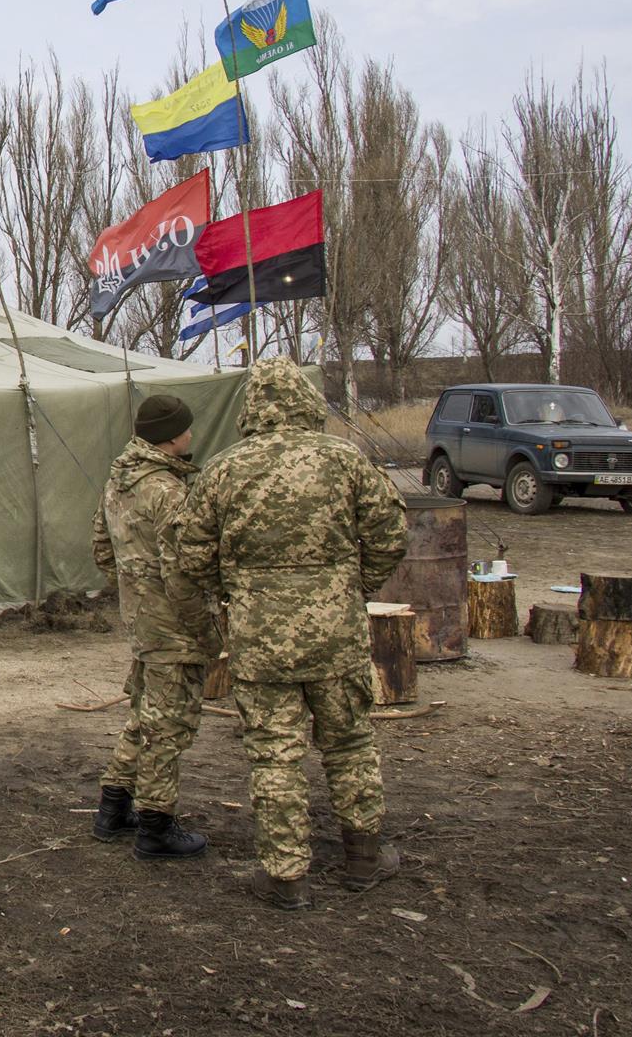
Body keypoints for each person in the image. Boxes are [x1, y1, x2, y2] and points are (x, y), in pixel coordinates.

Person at [168, 357, 408, 910]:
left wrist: (235, 592)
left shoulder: (225, 469)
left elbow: (191, 552)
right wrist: (347, 586)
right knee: (349, 742)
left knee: (274, 754)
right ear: (306, 401)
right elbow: (390, 533)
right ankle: (363, 858)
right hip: (335, 633)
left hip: (259, 637)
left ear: (253, 406)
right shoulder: (344, 460)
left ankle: (285, 876)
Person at [90, 394, 217, 860]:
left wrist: (134, 590)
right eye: (187, 428)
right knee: (170, 725)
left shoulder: (119, 482)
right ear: (172, 436)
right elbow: (185, 569)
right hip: (172, 623)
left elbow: (102, 549)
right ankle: (156, 826)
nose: (192, 435)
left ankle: (113, 808)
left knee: (145, 713)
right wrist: (205, 629)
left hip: (142, 618)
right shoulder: (166, 489)